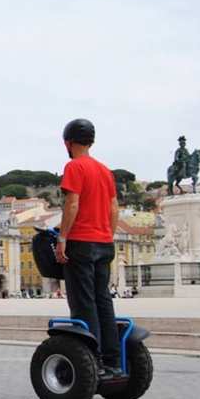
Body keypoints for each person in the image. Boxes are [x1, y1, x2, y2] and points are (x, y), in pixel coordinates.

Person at [54, 119, 121, 379]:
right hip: (104, 243)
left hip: (81, 242)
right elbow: (114, 208)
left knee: (84, 302)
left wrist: (62, 239)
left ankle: (94, 362)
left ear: (67, 143)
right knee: (103, 300)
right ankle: (113, 361)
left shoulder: (74, 166)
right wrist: (107, 236)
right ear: (91, 141)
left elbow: (72, 204)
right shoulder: (105, 171)